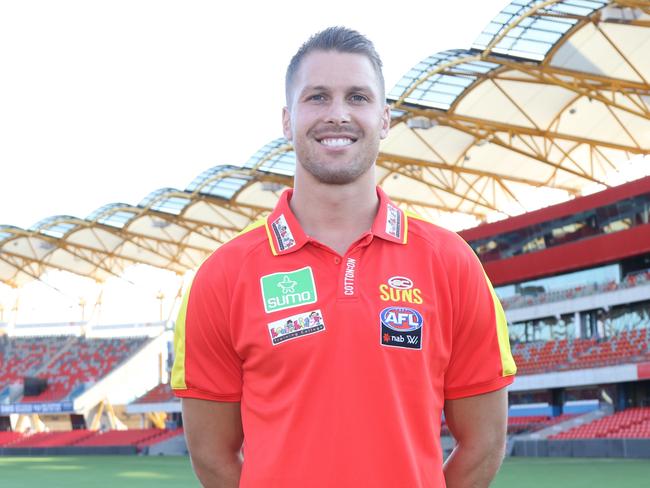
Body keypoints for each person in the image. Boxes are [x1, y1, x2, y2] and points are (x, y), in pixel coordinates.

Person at [172, 26, 517, 488]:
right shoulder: (222, 276)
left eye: (358, 97)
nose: (338, 115)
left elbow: (485, 443)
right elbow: (212, 457)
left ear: (386, 119)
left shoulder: (451, 262)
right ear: (286, 121)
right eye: (317, 97)